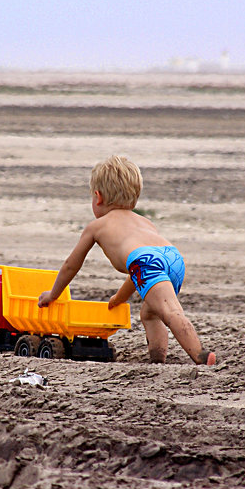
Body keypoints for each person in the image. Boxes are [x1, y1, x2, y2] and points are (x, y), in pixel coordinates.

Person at [37, 155, 217, 365]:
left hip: (146, 261)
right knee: (150, 314)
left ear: (98, 197)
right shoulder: (145, 222)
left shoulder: (97, 226)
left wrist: (53, 293)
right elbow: (138, 273)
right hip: (172, 257)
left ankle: (201, 355)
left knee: (171, 311)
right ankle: (157, 360)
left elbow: (71, 265)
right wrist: (119, 299)